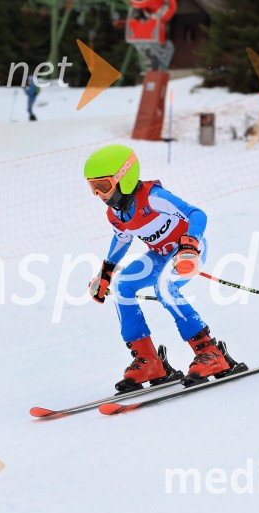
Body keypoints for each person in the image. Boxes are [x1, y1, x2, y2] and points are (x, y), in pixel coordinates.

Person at [84, 144, 234, 393]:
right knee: (123, 286)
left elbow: (197, 214)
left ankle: (210, 352)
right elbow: (122, 238)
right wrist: (106, 272)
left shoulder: (153, 197)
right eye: (93, 188)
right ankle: (150, 361)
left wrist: (190, 245)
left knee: (164, 286)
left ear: (125, 178)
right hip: (160, 255)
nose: (99, 194)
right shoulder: (115, 213)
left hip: (188, 252)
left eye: (103, 186)